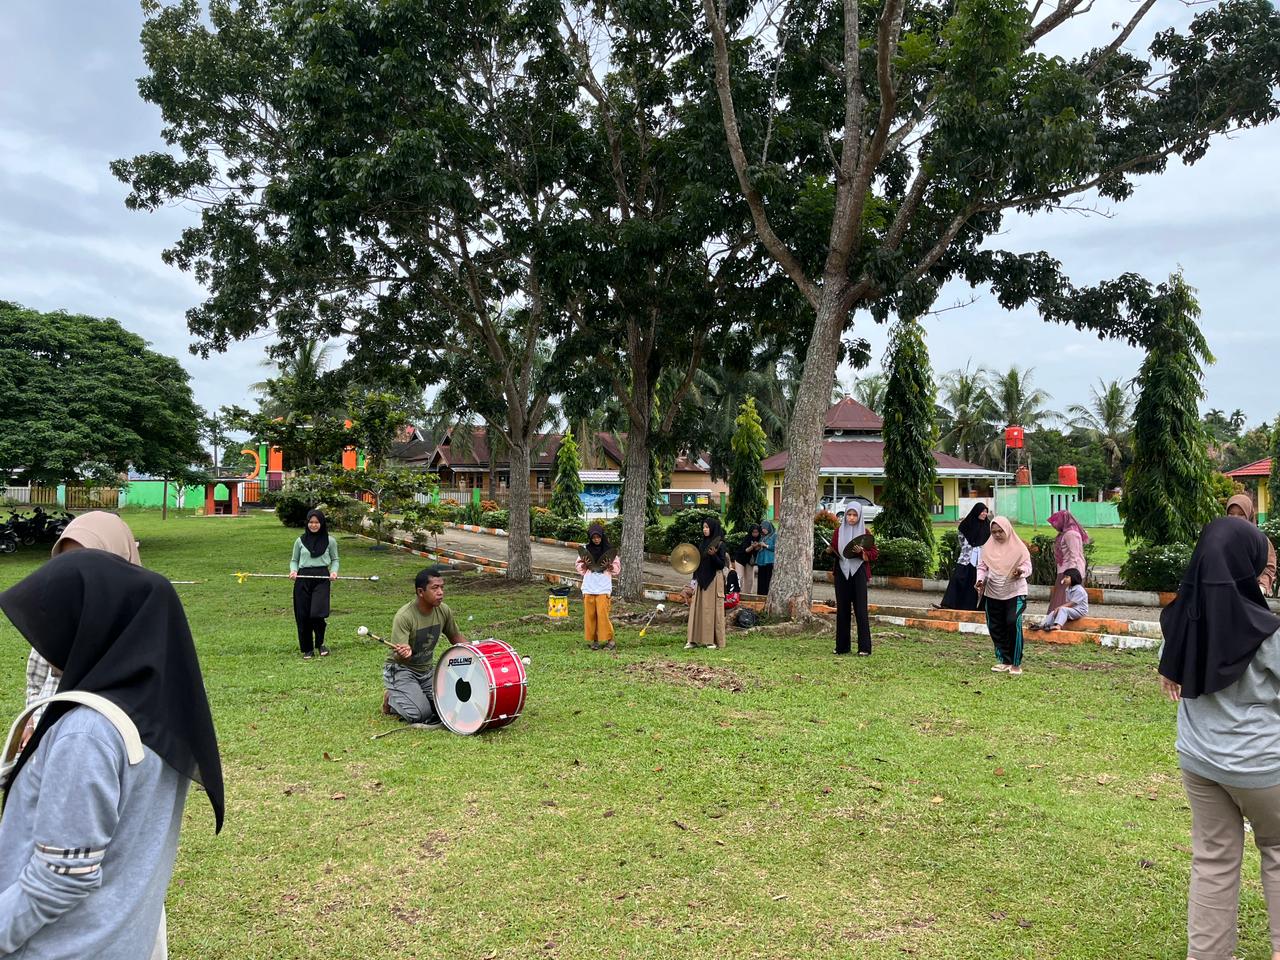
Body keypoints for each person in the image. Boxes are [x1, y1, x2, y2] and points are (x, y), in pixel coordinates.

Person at [0, 549, 224, 959]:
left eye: (53, 626)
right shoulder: (157, 717)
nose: (40, 645)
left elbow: (59, 877)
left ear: (91, 627)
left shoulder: (87, 733)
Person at [1157, 518, 1280, 960]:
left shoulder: (1180, 620)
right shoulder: (1269, 633)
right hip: (1263, 767)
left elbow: (1175, 671)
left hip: (1199, 760)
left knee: (1213, 859)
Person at [22, 511, 143, 750]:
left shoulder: (145, 620)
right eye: (68, 561)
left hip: (97, 746)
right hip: (45, 739)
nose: (78, 572)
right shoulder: (59, 611)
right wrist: (31, 720)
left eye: (89, 560)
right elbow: (36, 679)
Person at [383, 567, 466, 724]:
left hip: (427, 672)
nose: (441, 592)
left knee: (449, 707)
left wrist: (478, 653)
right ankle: (392, 699)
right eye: (435, 588)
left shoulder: (444, 610)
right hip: (401, 671)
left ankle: (412, 694)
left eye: (442, 587)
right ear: (420, 592)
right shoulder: (404, 616)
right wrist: (404, 654)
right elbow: (399, 658)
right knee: (420, 715)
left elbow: (455, 637)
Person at [977, 517, 1032, 675]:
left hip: (1015, 592)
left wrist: (1020, 571)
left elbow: (1027, 567)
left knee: (1012, 622)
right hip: (993, 592)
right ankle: (1004, 660)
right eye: (994, 532)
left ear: (1007, 530)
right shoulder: (987, 548)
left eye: (1000, 531)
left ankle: (1016, 663)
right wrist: (980, 580)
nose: (997, 535)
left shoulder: (1019, 548)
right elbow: (982, 567)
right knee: (995, 626)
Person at [290, 509, 339, 660]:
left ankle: (320, 643)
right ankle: (307, 648)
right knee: (303, 615)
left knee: (317, 613)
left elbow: (335, 559)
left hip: (322, 578)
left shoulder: (330, 541)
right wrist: (293, 571)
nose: (313, 525)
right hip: (303, 578)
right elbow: (294, 560)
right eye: (311, 522)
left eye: (317, 522)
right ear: (307, 523)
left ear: (322, 523)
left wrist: (334, 572)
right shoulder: (300, 541)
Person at [831, 505, 879, 656]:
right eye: (849, 514)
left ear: (859, 516)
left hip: (859, 573)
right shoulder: (838, 532)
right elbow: (834, 549)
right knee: (842, 610)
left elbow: (874, 553)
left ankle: (864, 648)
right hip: (841, 573)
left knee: (861, 610)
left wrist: (862, 552)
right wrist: (829, 551)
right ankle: (842, 647)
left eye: (854, 515)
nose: (851, 518)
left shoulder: (865, 533)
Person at [684, 518, 728, 650]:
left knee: (710, 610)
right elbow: (697, 564)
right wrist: (693, 582)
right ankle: (693, 640)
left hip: (713, 580)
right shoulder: (701, 544)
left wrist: (714, 555)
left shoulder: (720, 544)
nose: (704, 529)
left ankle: (710, 640)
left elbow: (721, 565)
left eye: (707, 527)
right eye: (703, 527)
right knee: (696, 610)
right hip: (700, 580)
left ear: (713, 528)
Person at [575, 522, 621, 651]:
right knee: (590, 615)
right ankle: (595, 641)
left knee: (602, 614)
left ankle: (610, 640)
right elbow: (578, 566)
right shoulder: (586, 549)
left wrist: (610, 566)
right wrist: (584, 565)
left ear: (602, 536)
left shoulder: (609, 551)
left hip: (603, 587)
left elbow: (617, 568)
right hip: (589, 586)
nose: (596, 540)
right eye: (594, 537)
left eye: (598, 537)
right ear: (590, 538)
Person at [939, 502, 991, 610]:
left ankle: (972, 607)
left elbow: (991, 542)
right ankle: (949, 604)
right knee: (958, 578)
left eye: (986, 512)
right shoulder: (966, 524)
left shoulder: (988, 526)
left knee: (977, 582)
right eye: (982, 511)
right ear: (976, 511)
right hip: (967, 556)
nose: (984, 514)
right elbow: (962, 540)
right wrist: (970, 548)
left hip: (982, 559)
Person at [1227, 493, 1277, 596]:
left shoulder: (1260, 541)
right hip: (1224, 594)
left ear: (1249, 515)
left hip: (1251, 595)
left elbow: (1269, 567)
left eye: (1241, 514)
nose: (1235, 518)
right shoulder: (1220, 538)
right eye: (1231, 513)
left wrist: (1262, 587)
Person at [1037, 567, 1088, 632]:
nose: (1064, 579)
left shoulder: (1079, 590)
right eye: (1064, 577)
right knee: (1054, 612)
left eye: (1067, 577)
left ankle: (1058, 626)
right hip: (1072, 610)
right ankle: (1043, 625)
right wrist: (1058, 610)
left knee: (1062, 609)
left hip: (1080, 611)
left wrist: (1059, 608)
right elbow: (1068, 604)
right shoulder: (1068, 589)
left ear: (1074, 578)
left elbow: (1071, 603)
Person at [1047, 509, 1089, 580]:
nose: (1054, 526)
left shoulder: (1071, 534)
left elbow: (1074, 556)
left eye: (1056, 523)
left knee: (1062, 587)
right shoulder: (1064, 534)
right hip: (1064, 569)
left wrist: (1069, 574)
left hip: (1070, 571)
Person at [734, 523, 763, 595]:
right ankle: (737, 593)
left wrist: (758, 546)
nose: (755, 534)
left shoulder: (760, 538)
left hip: (750, 561)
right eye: (753, 532)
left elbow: (758, 550)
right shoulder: (747, 538)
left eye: (757, 532)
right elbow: (746, 550)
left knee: (750, 580)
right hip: (740, 560)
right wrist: (752, 546)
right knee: (740, 577)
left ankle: (747, 594)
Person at [756, 520, 777, 596]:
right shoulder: (762, 536)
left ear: (769, 527)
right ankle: (761, 594)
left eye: (765, 528)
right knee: (761, 578)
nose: (763, 530)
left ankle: (768, 594)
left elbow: (776, 547)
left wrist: (766, 546)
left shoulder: (774, 535)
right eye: (762, 528)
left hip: (769, 560)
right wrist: (758, 545)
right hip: (761, 560)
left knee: (768, 578)